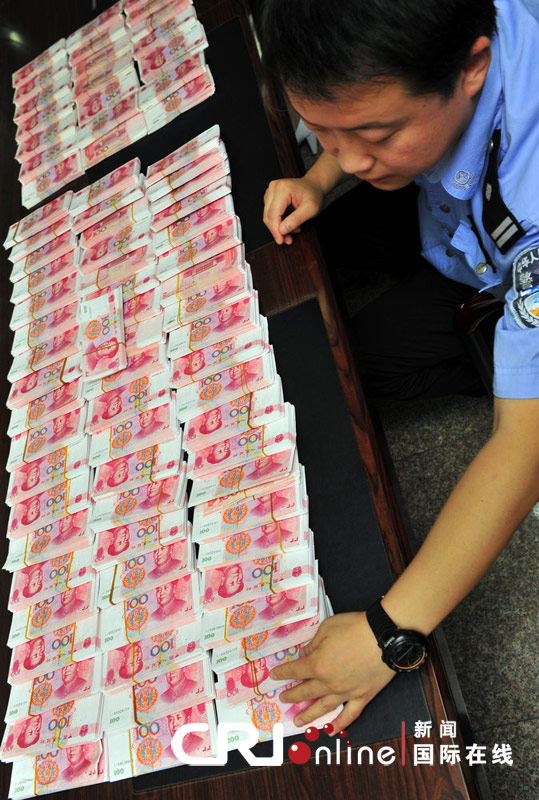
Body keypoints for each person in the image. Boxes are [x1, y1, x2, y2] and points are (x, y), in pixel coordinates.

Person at [260, 0, 539, 732]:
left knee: (352, 366)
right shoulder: (432, 50)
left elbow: (524, 443)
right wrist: (319, 180)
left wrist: (389, 633)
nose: (347, 155)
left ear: (472, 66)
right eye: (322, 130)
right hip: (447, 216)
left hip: (498, 266)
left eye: (373, 134)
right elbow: (357, 102)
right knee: (306, 296)